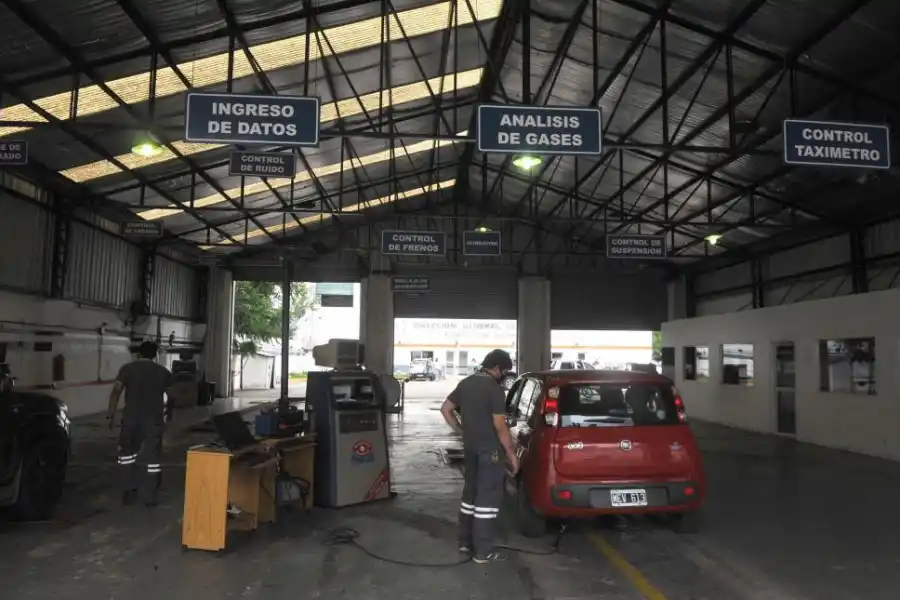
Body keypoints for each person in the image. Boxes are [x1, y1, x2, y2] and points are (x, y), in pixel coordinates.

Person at [440, 348, 518, 564]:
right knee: (487, 500)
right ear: (496, 368)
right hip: (490, 452)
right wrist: (511, 453)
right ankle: (483, 551)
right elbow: (500, 425)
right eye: (504, 371)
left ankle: (465, 543)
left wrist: (461, 431)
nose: (503, 376)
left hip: (470, 448)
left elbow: (446, 409)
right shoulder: (494, 389)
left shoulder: (466, 383)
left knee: (470, 496)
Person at [106, 341, 173, 507]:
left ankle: (129, 490)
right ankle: (150, 497)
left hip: (131, 420)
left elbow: (116, 392)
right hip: (153, 421)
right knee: (153, 460)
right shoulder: (163, 372)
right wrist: (169, 413)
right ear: (155, 354)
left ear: (139, 354)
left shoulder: (127, 369)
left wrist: (110, 414)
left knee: (127, 455)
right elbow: (172, 396)